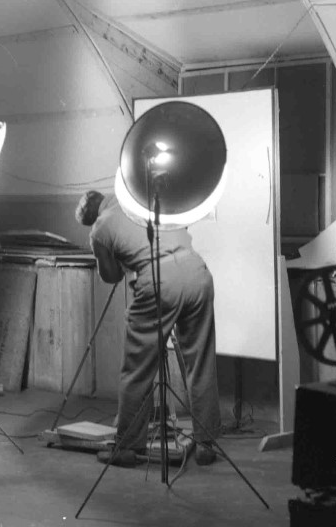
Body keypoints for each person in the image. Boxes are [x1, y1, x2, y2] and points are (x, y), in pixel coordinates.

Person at [75, 189, 221, 467]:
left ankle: (128, 447)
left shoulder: (100, 229)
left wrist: (107, 252)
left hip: (159, 281)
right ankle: (206, 444)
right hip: (197, 272)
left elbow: (111, 276)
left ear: (91, 217)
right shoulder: (139, 198)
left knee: (138, 368)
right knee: (200, 362)